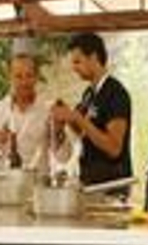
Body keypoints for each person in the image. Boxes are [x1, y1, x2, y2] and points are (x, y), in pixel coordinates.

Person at [50, 32, 132, 186]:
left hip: (112, 183)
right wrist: (65, 118)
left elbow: (113, 147)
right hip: (89, 179)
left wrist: (77, 118)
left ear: (93, 57)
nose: (74, 68)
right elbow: (82, 132)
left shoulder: (116, 93)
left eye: (77, 62)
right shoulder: (88, 94)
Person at [0, 53, 58, 170]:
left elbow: (64, 157)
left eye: (29, 75)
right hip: (4, 184)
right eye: (18, 76)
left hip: (37, 185)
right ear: (9, 77)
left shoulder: (48, 111)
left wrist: (59, 131)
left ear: (37, 77)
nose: (24, 82)